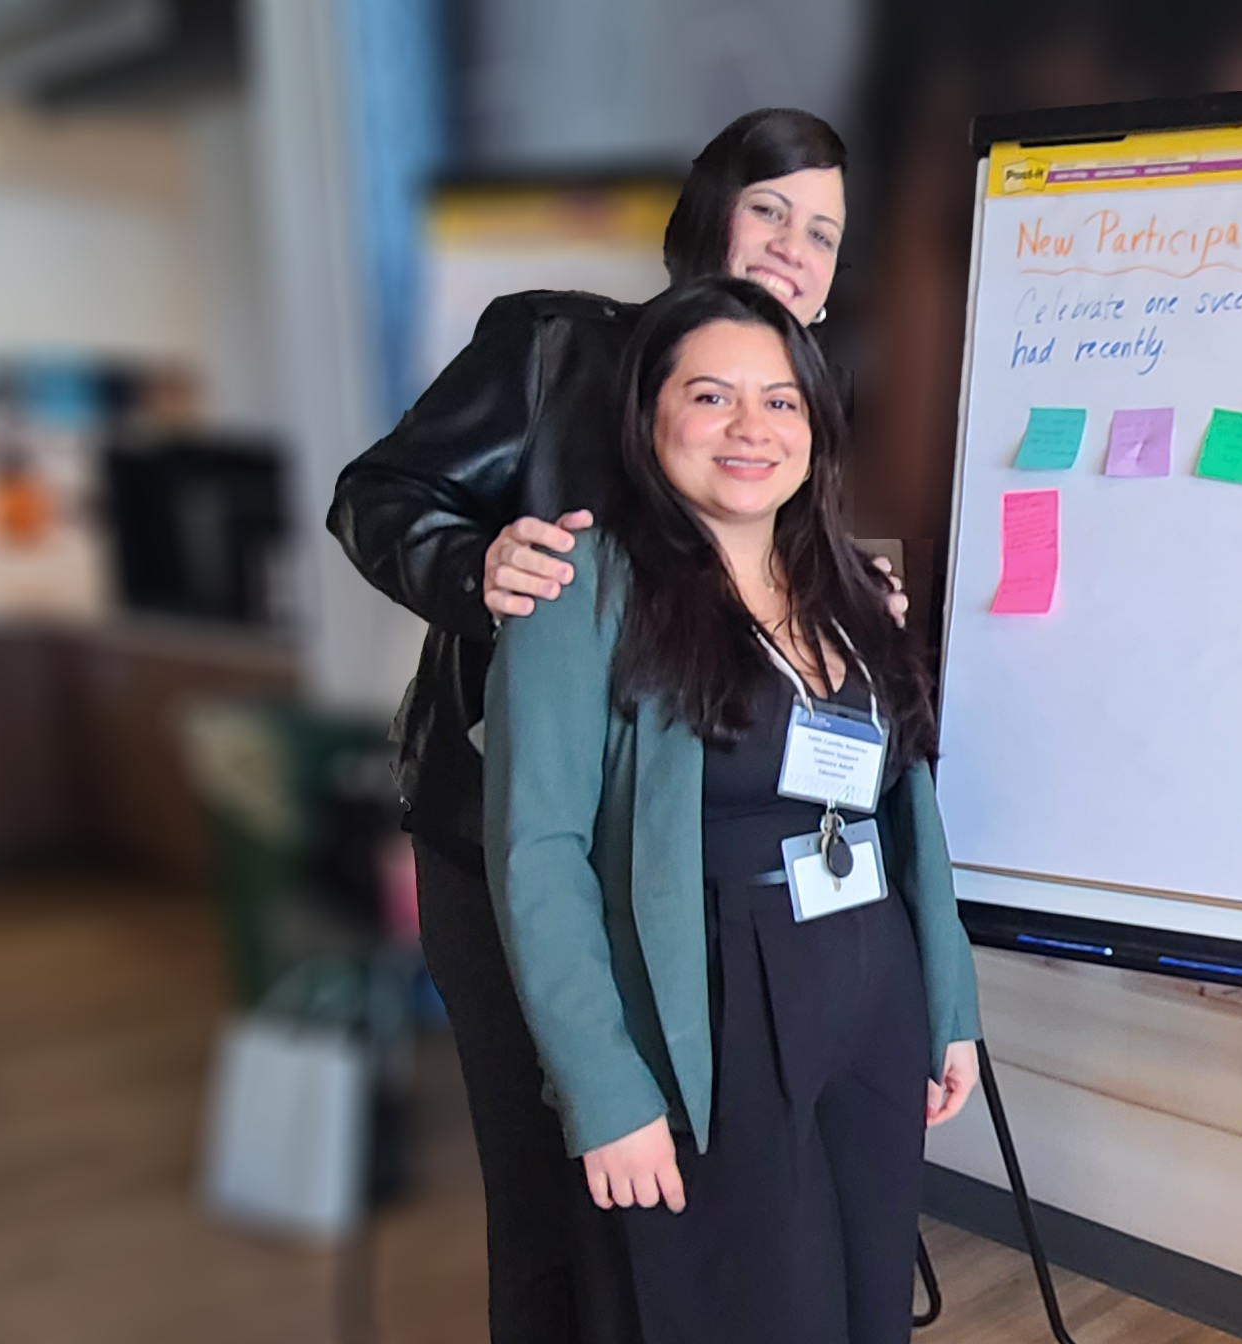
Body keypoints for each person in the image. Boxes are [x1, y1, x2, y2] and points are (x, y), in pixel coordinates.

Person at [324, 108, 848, 1342]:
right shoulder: (556, 347)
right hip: (511, 849)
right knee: (556, 1189)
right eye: (770, 207)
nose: (793, 245)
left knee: (671, 1203)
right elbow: (378, 494)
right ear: (705, 216)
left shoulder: (786, 413)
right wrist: (473, 563)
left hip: (688, 880)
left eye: (822, 232)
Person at [490, 276, 983, 1343]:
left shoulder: (851, 586)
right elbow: (540, 853)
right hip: (710, 1011)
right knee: (746, 1314)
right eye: (712, 398)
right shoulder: (579, 586)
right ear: (648, 416)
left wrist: (949, 1004)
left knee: (864, 1312)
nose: (752, 428)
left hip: (869, 989)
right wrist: (603, 1090)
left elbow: (909, 809)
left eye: (782, 400)